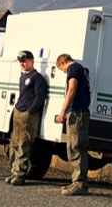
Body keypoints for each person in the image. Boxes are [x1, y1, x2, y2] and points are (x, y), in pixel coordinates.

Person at [7, 50, 50, 186]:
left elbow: (40, 96)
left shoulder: (37, 78)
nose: (23, 64)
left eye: (25, 61)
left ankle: (20, 175)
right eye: (21, 61)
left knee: (24, 144)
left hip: (29, 115)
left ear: (31, 61)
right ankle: (14, 171)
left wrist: (31, 110)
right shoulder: (22, 77)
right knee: (14, 143)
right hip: (19, 112)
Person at [55, 54, 92, 195]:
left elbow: (72, 89)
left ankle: (80, 183)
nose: (65, 72)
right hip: (82, 111)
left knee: (75, 147)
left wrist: (63, 111)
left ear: (63, 62)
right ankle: (76, 181)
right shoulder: (81, 68)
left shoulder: (73, 69)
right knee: (75, 146)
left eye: (62, 69)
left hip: (76, 112)